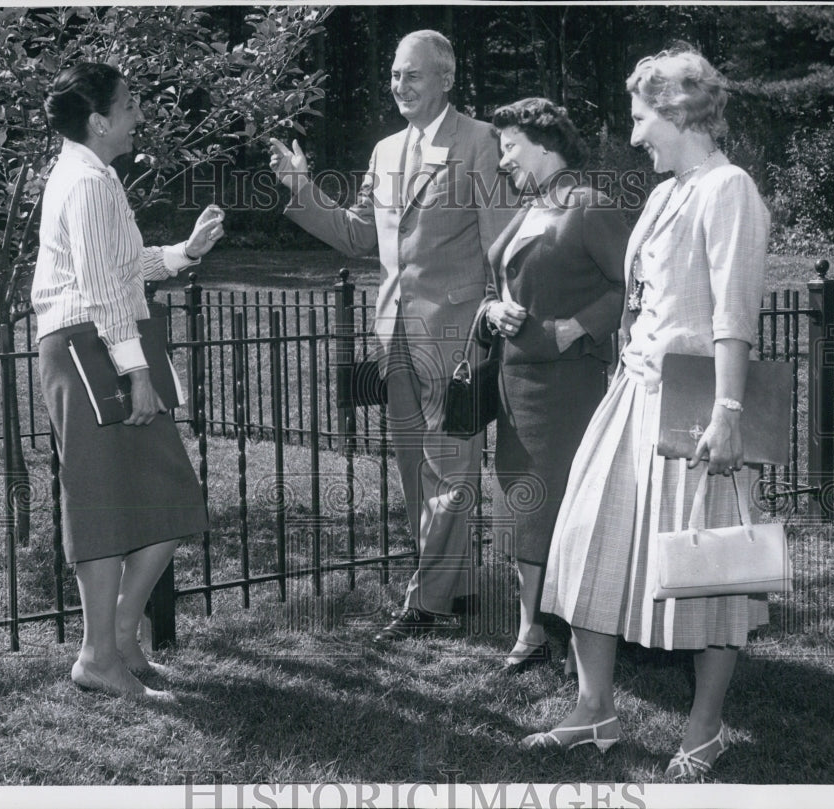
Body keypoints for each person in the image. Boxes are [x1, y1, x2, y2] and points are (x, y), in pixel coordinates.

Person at [524, 46, 770, 781]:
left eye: (640, 118)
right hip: (632, 394)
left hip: (695, 405)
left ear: (677, 109)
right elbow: (641, 295)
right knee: (583, 538)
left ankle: (706, 727)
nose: (634, 137)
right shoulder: (668, 191)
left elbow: (733, 311)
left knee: (713, 564)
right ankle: (593, 706)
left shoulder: (729, 189)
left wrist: (728, 409)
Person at [270, 30, 515, 642]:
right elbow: (360, 237)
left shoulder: (481, 141)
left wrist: (498, 310)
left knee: (449, 468)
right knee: (417, 470)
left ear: (446, 78)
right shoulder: (384, 152)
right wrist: (301, 187)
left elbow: (502, 239)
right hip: (394, 334)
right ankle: (456, 587)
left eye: (413, 75)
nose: (399, 85)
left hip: (456, 332)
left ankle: (427, 602)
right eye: (395, 75)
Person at [33, 62, 225, 699]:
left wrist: (184, 253)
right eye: (131, 102)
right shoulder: (86, 181)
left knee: (166, 498)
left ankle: (117, 639)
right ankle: (100, 655)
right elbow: (96, 289)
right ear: (99, 120)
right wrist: (136, 371)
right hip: (91, 348)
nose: (140, 112)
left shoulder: (95, 175)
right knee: (104, 503)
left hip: (106, 342)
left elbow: (118, 267)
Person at [475, 98, 627, 673]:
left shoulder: (588, 206)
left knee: (562, 507)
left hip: (568, 389)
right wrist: (492, 312)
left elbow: (631, 285)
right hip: (517, 386)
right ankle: (532, 628)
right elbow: (499, 285)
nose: (503, 160)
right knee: (523, 502)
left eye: (509, 147)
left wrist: (577, 326)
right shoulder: (532, 205)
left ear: (543, 143)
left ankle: (575, 632)